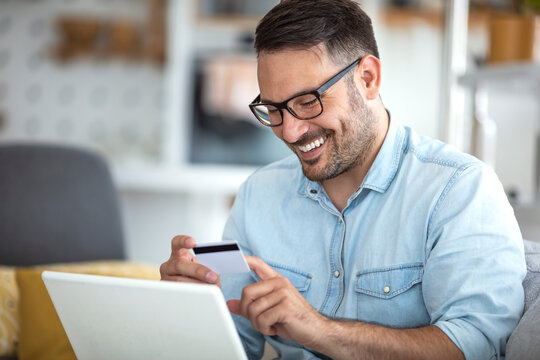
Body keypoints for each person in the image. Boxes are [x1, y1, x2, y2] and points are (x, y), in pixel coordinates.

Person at [160, 0, 527, 359]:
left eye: (307, 102)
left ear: (368, 78)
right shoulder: (258, 197)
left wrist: (320, 330)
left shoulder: (460, 190)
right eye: (273, 109)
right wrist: (188, 310)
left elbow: (476, 346)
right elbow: (232, 343)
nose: (289, 131)